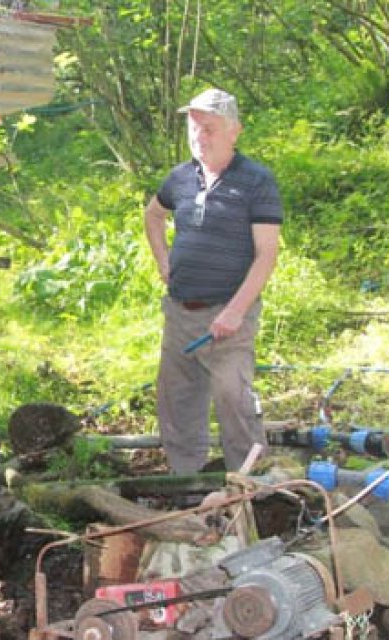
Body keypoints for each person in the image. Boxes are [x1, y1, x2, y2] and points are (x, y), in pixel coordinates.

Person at [142, 88, 283, 474]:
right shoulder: (181, 178)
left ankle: (248, 480)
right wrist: (163, 260)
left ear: (233, 131)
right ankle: (186, 479)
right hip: (181, 312)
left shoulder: (256, 181)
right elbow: (153, 215)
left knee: (232, 396)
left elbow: (266, 254)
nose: (200, 136)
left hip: (229, 315)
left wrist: (236, 312)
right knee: (177, 399)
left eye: (209, 128)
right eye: (194, 128)